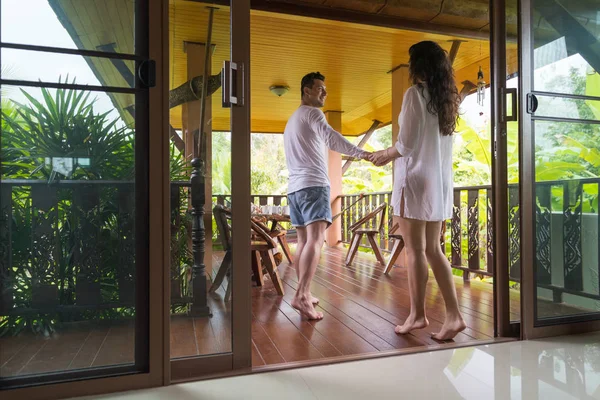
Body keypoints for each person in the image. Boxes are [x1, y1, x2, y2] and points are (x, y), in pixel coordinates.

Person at [370, 41, 466, 341]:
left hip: (414, 181)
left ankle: (417, 315)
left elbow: (406, 144)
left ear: (418, 66)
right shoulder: (447, 101)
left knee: (414, 251)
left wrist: (385, 154)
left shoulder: (414, 95)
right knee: (433, 250)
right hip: (437, 182)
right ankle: (454, 316)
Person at [284, 72, 372, 320]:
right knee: (316, 240)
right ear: (306, 91)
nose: (324, 93)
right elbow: (331, 137)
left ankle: (304, 291)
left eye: (325, 89)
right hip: (313, 185)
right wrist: (362, 154)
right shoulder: (313, 113)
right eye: (319, 88)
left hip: (295, 188)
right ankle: (301, 296)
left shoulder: (293, 120)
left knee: (303, 241)